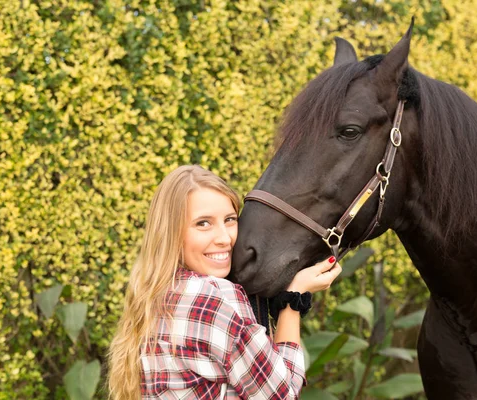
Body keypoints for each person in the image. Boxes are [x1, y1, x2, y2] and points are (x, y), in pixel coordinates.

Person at [108, 165, 342, 399]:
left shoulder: (153, 297)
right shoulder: (216, 298)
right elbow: (283, 395)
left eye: (229, 220)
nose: (224, 238)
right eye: (203, 223)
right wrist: (295, 297)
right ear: (171, 232)